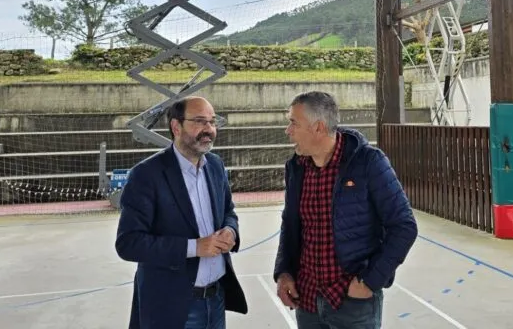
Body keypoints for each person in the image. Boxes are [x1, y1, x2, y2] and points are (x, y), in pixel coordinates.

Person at [273, 91, 418, 328]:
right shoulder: (296, 167)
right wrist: (284, 272)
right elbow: (290, 225)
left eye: (293, 123)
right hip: (307, 300)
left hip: (352, 302)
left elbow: (404, 226)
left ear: (318, 128)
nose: (288, 131)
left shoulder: (369, 162)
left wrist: (370, 282)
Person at [116, 96, 248, 329]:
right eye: (199, 121)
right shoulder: (147, 175)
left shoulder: (215, 166)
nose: (209, 129)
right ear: (176, 127)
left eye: (212, 122)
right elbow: (129, 243)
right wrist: (194, 247)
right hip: (173, 307)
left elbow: (228, 211)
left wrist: (230, 230)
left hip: (216, 301)